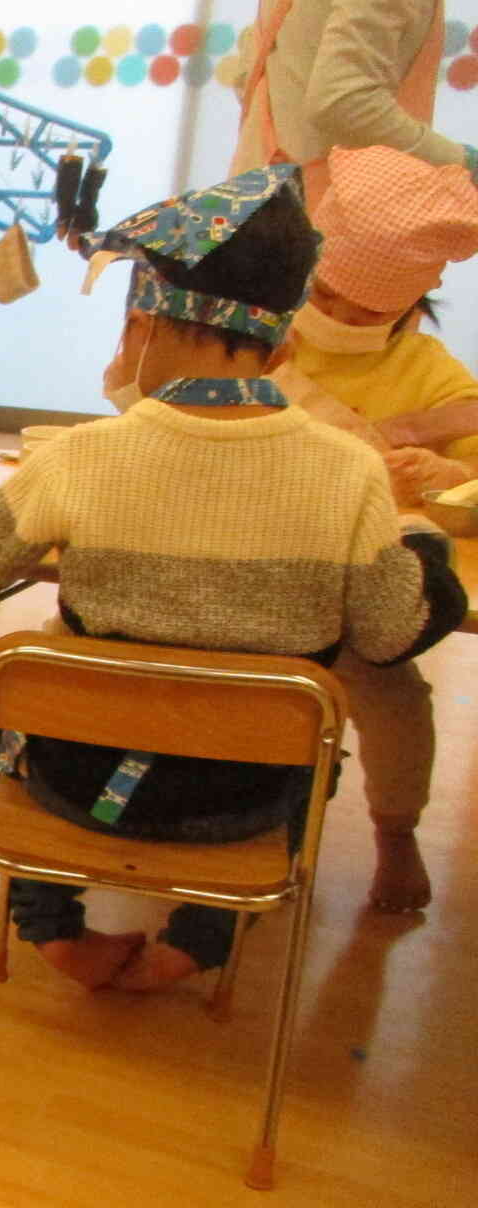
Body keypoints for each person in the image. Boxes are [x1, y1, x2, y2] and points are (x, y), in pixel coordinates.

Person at [0, 166, 466, 992]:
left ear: (140, 328)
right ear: (282, 350)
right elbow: (392, 630)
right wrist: (417, 532)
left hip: (79, 788)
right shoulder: (349, 473)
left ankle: (54, 931)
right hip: (244, 806)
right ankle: (203, 935)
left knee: (37, 679)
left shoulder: (84, 457)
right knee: (308, 738)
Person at [267, 145, 478, 911]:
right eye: (328, 295)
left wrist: (453, 477)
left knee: (389, 689)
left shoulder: (434, 375)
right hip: (250, 569)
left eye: (372, 312)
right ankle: (249, 815)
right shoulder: (260, 337)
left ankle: (397, 834)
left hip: (356, 588)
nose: (345, 318)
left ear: (416, 304)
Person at [233, 0, 473, 209]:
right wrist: (463, 165)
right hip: (321, 225)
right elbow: (343, 101)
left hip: (247, 206)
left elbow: (247, 69)